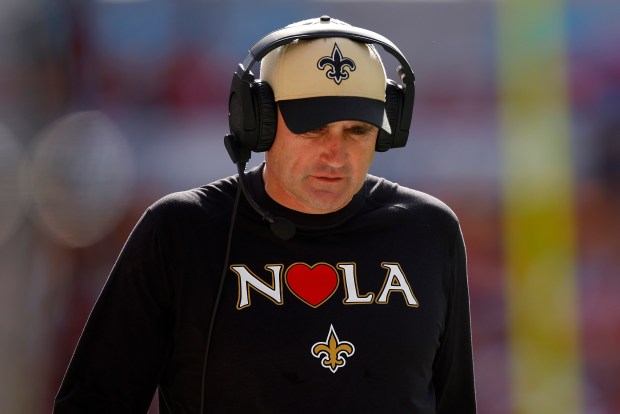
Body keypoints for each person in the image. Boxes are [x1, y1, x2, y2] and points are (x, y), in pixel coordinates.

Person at [54, 16, 477, 413]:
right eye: (312, 129)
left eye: (357, 131)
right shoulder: (180, 231)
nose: (336, 154)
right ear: (261, 123)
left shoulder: (430, 231)